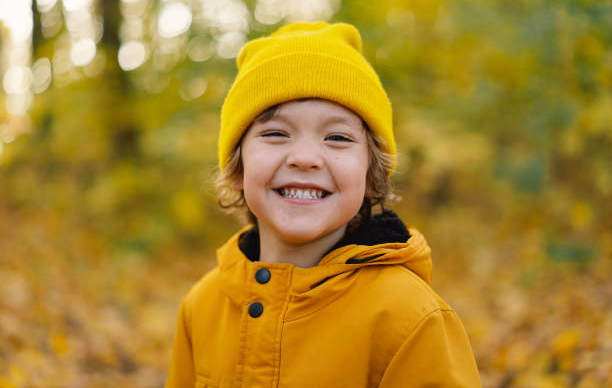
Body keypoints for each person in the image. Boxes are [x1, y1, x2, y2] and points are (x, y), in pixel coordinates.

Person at [165, 22, 481, 387]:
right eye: (275, 134)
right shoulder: (202, 307)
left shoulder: (411, 318)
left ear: (370, 176)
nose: (305, 158)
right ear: (237, 167)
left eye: (337, 137)